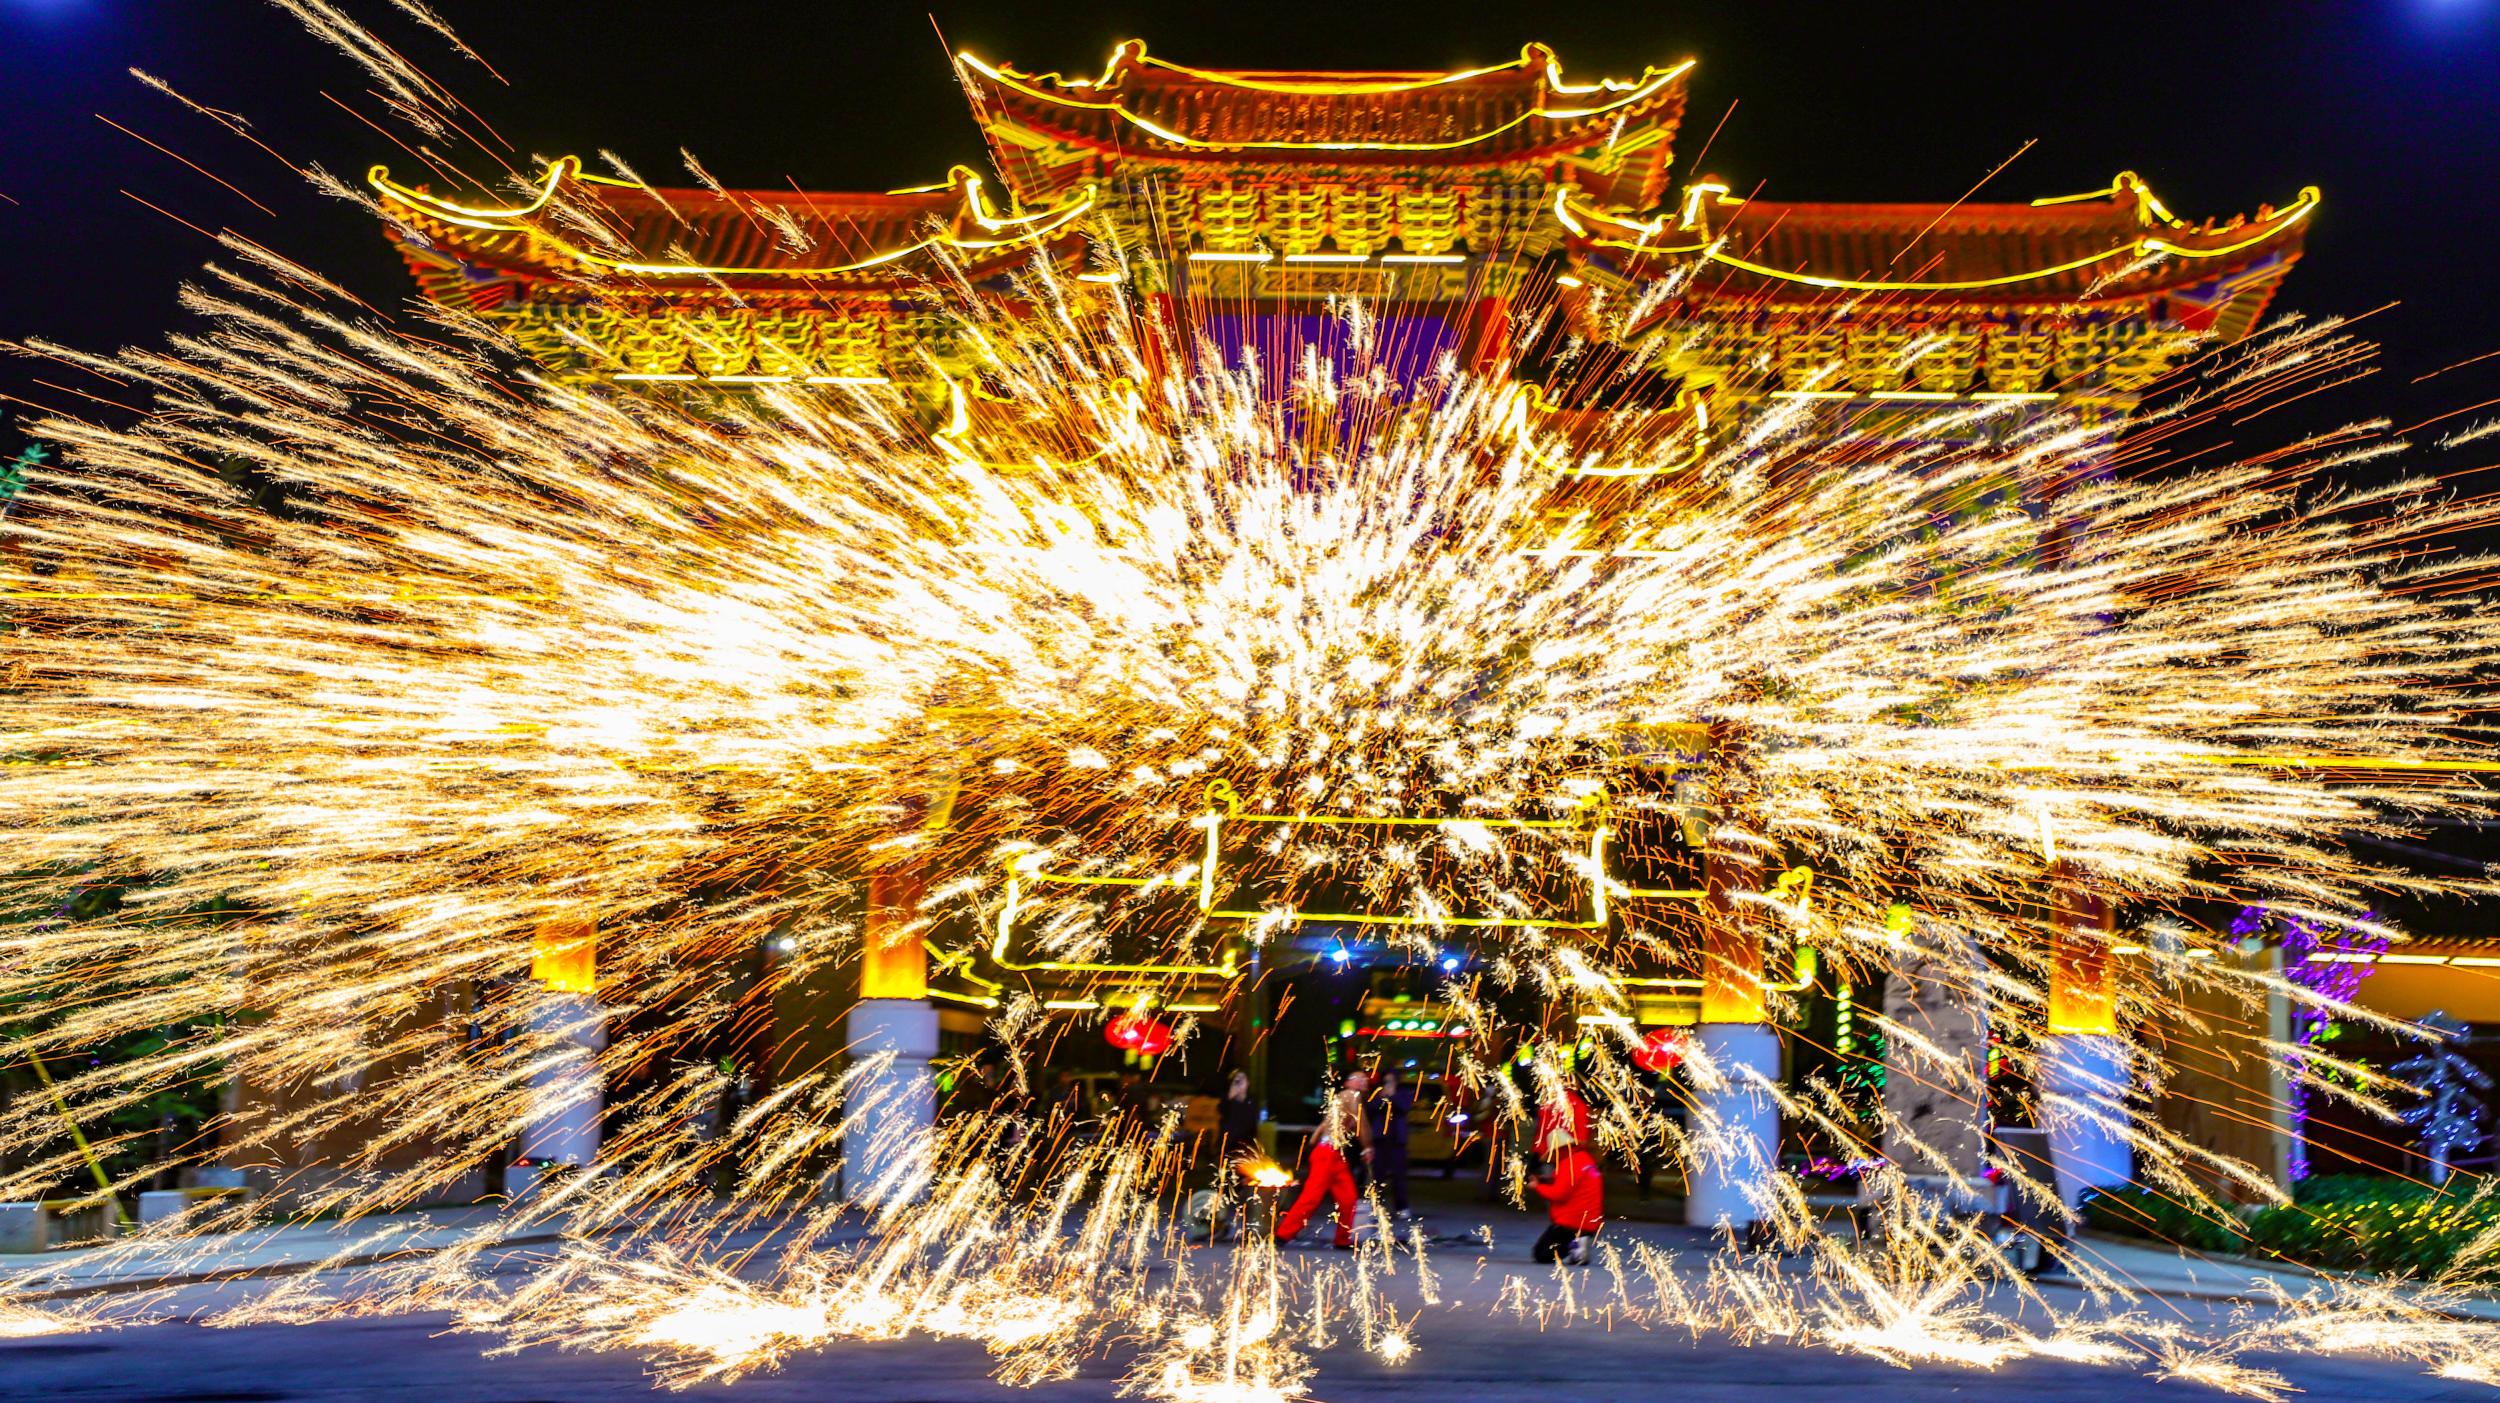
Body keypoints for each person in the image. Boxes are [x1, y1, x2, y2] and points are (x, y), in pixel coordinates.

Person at [1275, 1070, 1372, 1249]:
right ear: (1349, 1082)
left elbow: (1323, 1126)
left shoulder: (1340, 1099)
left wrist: (1315, 1144)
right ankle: (1282, 1235)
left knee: (1348, 1198)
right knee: (1311, 1197)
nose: (1364, 1081)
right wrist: (1367, 1147)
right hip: (1328, 1153)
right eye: (1359, 1078)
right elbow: (1361, 1123)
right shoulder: (1351, 1095)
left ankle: (1342, 1240)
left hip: (1333, 1153)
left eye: (1364, 1079)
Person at [1530, 1112, 1603, 1265]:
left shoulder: (1568, 1164)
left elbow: (1558, 1194)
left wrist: (1538, 1187)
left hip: (1571, 1221)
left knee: (1541, 1254)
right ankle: (1578, 1244)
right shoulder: (1584, 1159)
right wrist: (1547, 1180)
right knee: (1546, 1249)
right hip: (1589, 1220)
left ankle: (1575, 1245)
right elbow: (1574, 1184)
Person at [1366, 1067, 1415, 1218]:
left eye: (1392, 1080)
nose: (1389, 1083)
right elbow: (1370, 1108)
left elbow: (1404, 1107)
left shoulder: (1403, 1093)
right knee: (1377, 1175)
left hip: (1397, 1140)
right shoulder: (1377, 1093)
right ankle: (1376, 1206)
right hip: (1380, 1139)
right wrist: (1382, 1098)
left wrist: (1392, 1096)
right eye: (1386, 1080)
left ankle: (1401, 1207)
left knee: (1399, 1175)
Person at [1219, 1070, 1262, 1165]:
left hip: (1247, 1143)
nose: (1239, 1082)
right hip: (1230, 1144)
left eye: (1242, 1079)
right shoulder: (1227, 1099)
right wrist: (1230, 1096)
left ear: (1248, 1083)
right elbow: (1221, 1111)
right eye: (1236, 1079)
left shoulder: (1252, 1100)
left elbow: (1252, 1119)